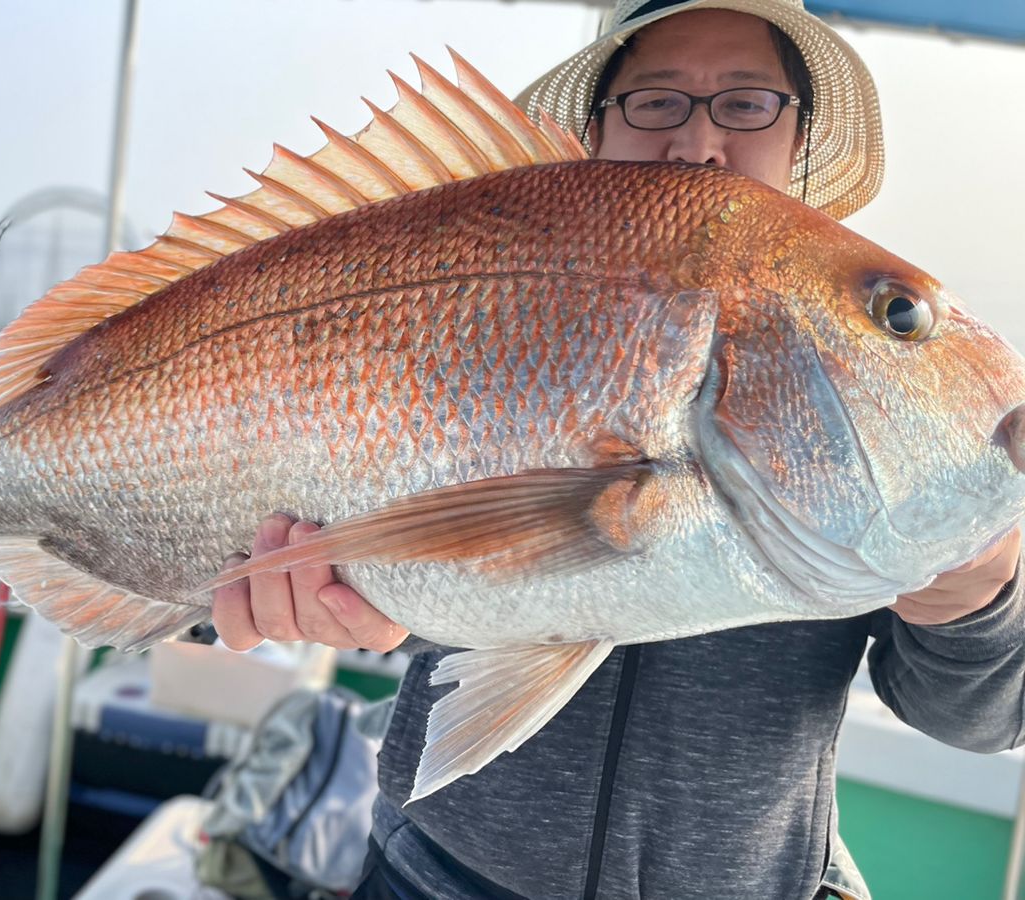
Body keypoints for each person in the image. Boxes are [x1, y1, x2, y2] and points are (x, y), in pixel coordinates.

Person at [213, 1, 1025, 897]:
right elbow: (321, 541)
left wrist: (976, 600)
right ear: (597, 128)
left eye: (748, 104)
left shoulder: (844, 383)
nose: (699, 142)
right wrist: (307, 595)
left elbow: (983, 721)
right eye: (657, 101)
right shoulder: (468, 274)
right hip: (428, 876)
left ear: (800, 141)